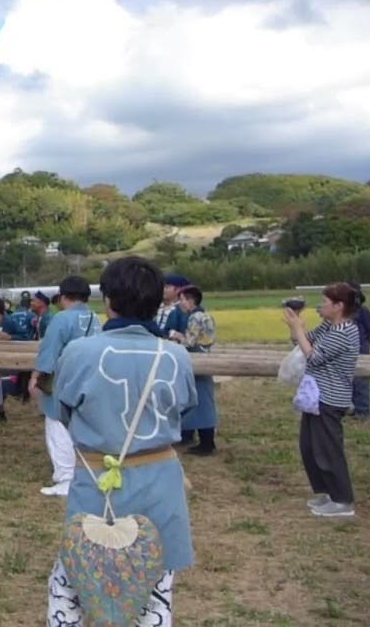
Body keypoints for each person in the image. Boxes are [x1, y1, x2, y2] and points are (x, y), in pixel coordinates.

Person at [47, 256, 197, 625]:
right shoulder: (177, 356)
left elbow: (63, 412)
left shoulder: (79, 352)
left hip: (97, 480)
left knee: (82, 575)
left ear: (108, 300)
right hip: (160, 480)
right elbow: (185, 408)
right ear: (158, 302)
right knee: (153, 580)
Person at [284, 283, 362, 518]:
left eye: (325, 302)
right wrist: (295, 323)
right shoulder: (330, 326)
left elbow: (314, 357)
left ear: (339, 306)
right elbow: (303, 340)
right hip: (315, 397)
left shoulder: (345, 331)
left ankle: (343, 500)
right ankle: (326, 493)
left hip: (330, 398)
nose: (321, 305)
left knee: (328, 450)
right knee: (309, 447)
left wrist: (298, 331)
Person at [28, 276, 101, 497]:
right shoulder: (94, 317)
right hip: (91, 377)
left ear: (63, 295)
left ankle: (65, 477)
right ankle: (88, 473)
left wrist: (35, 376)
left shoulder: (61, 319)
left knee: (57, 425)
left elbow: (49, 351)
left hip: (64, 377)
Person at [173, 286, 219, 456]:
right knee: (206, 400)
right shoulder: (207, 315)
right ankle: (207, 440)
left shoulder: (194, 318)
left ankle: (206, 444)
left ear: (190, 301)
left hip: (197, 360)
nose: (180, 303)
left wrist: (177, 336)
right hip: (208, 357)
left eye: (182, 299)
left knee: (199, 402)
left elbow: (189, 342)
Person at [348, 282, 370, 420]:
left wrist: (365, 344)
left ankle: (362, 411)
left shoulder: (363, 312)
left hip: (361, 347)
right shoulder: (344, 313)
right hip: (347, 349)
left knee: (361, 380)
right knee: (348, 379)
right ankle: (351, 408)